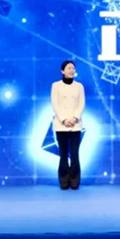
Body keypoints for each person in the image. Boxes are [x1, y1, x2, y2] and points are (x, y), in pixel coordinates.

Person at [51, 60, 85, 190]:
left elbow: (81, 104)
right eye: (69, 68)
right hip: (61, 124)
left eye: (73, 68)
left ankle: (75, 181)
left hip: (76, 125)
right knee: (63, 154)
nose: (72, 70)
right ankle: (64, 181)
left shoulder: (79, 86)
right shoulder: (56, 85)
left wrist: (75, 118)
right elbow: (55, 104)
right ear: (62, 71)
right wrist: (64, 119)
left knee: (75, 154)